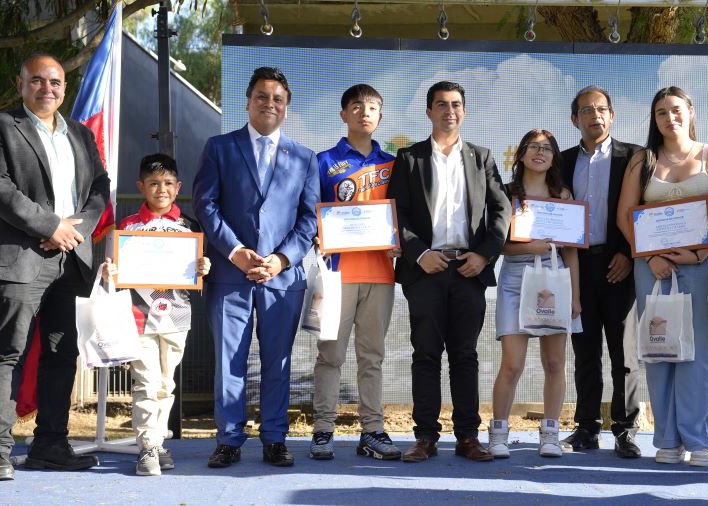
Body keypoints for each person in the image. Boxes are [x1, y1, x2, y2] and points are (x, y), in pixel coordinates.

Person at [0, 53, 110, 481]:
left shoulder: (81, 135)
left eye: (54, 82)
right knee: (7, 353)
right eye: (37, 80)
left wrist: (73, 230)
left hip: (71, 261)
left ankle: (51, 445)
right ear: (21, 84)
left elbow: (100, 188)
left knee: (60, 354)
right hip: (19, 258)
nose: (46, 88)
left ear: (64, 89)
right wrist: (51, 226)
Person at [193, 67, 319, 468]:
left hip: (282, 278)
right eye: (262, 96)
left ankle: (275, 438)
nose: (270, 104)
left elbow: (309, 219)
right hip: (230, 275)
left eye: (278, 99)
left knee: (277, 362)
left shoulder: (305, 158)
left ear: (286, 107)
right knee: (229, 361)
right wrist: (235, 251)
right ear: (248, 102)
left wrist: (281, 259)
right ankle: (229, 439)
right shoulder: (219, 147)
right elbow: (205, 205)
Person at [387, 81, 510, 463]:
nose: (449, 111)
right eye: (441, 104)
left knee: (465, 355)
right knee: (425, 354)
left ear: (464, 111)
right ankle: (425, 437)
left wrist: (484, 256)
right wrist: (419, 253)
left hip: (468, 270)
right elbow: (397, 213)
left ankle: (468, 437)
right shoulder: (409, 158)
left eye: (456, 104)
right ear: (429, 111)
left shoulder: (481, 157)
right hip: (425, 269)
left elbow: (501, 210)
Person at [617, 86, 708, 467]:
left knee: (697, 353)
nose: (670, 118)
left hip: (699, 265)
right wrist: (651, 257)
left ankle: (701, 440)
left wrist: (700, 252)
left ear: (691, 111)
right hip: (651, 268)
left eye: (676, 110)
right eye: (661, 112)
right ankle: (667, 439)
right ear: (654, 119)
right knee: (659, 349)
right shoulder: (642, 160)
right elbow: (625, 217)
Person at [100, 154, 211, 476]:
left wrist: (204, 267)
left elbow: (197, 270)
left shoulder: (190, 226)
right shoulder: (127, 226)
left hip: (177, 316)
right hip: (138, 316)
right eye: (153, 183)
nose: (161, 190)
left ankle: (158, 442)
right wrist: (110, 272)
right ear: (141, 186)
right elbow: (113, 271)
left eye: (167, 183)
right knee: (145, 382)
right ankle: (147, 447)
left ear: (178, 187)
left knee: (165, 384)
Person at [310, 84, 402, 461]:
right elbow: (309, 211)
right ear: (343, 114)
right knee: (330, 355)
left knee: (372, 357)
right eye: (357, 106)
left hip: (380, 274)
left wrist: (401, 241)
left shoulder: (393, 164)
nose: (365, 113)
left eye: (373, 107)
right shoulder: (323, 161)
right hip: (336, 274)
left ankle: (372, 430)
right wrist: (317, 234)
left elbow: (403, 216)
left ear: (381, 116)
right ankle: (322, 430)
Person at [557, 86, 642, 458]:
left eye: (602, 109)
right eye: (587, 110)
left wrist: (628, 254)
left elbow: (642, 209)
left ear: (612, 115)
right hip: (577, 266)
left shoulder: (634, 157)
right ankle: (587, 428)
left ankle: (626, 430)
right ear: (574, 119)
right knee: (585, 352)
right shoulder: (561, 162)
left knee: (625, 355)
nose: (595, 115)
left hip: (619, 264)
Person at [487, 129, 582, 459]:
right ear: (521, 154)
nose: (540, 153)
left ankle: (550, 434)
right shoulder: (506, 193)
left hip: (555, 279)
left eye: (547, 148)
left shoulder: (563, 195)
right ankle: (498, 433)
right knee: (512, 364)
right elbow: (497, 245)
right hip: (515, 279)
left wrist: (575, 296)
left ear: (554, 158)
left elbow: (571, 251)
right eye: (533, 147)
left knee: (555, 363)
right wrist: (530, 247)